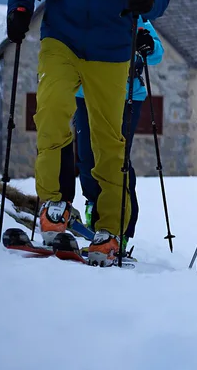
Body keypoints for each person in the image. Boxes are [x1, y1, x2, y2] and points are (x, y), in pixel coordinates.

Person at [6, 0, 169, 266]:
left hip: (111, 48)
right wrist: (20, 8)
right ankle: (54, 209)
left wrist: (147, 0)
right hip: (60, 36)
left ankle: (109, 230)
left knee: (106, 141)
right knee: (52, 112)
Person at [74, 18, 164, 249]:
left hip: (127, 97)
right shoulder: (90, 8)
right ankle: (95, 204)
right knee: (86, 155)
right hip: (87, 93)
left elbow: (157, 54)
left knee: (117, 159)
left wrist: (147, 44)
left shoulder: (136, 17)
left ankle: (121, 227)